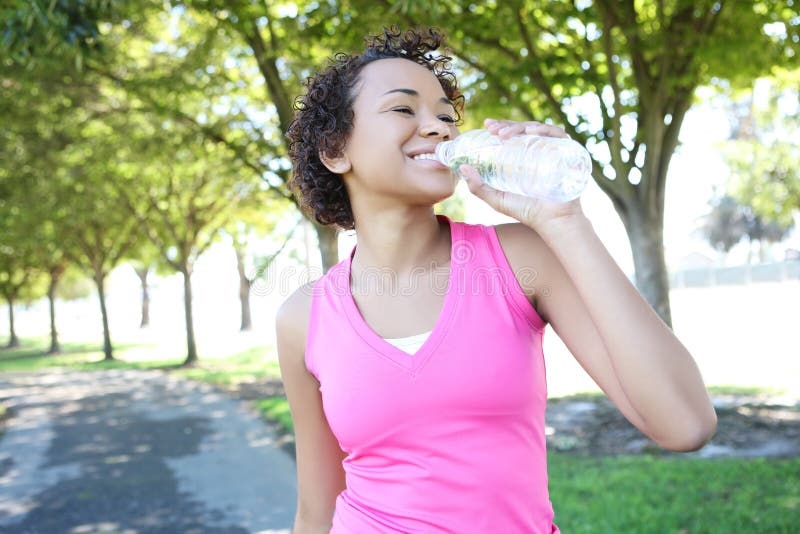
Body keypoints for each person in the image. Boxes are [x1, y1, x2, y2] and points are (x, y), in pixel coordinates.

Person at [278, 26, 717, 534]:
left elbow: (685, 424)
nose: (440, 128)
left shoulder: (520, 257)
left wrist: (565, 223)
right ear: (334, 151)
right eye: (404, 109)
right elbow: (315, 511)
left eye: (445, 115)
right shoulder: (302, 318)